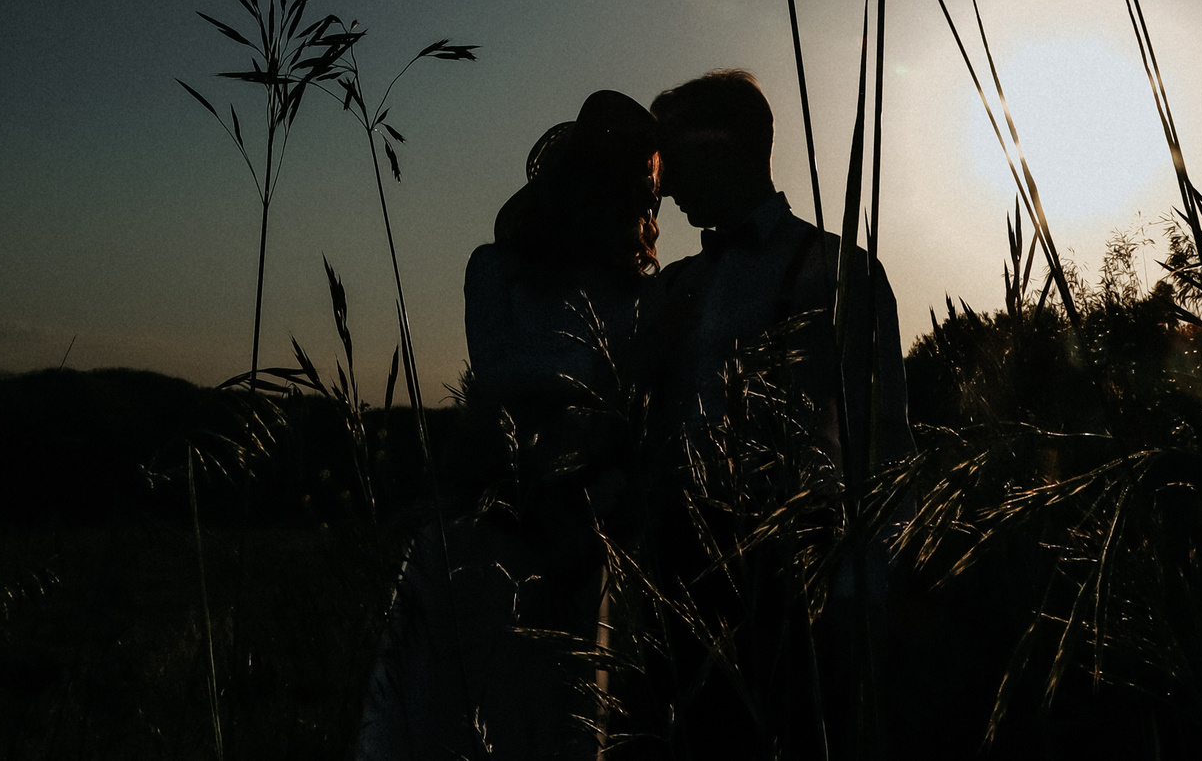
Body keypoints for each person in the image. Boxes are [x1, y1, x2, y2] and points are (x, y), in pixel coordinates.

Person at [354, 89, 660, 761]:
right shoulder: (496, 271)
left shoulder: (638, 297)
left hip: (578, 530)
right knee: (459, 711)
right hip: (493, 516)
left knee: (550, 717)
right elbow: (503, 379)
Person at [636, 69, 911, 759]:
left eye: (673, 153)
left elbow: (881, 450)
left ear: (724, 143)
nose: (662, 182)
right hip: (675, 586)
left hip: (794, 586)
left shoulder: (841, 271)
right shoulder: (672, 287)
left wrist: (861, 594)